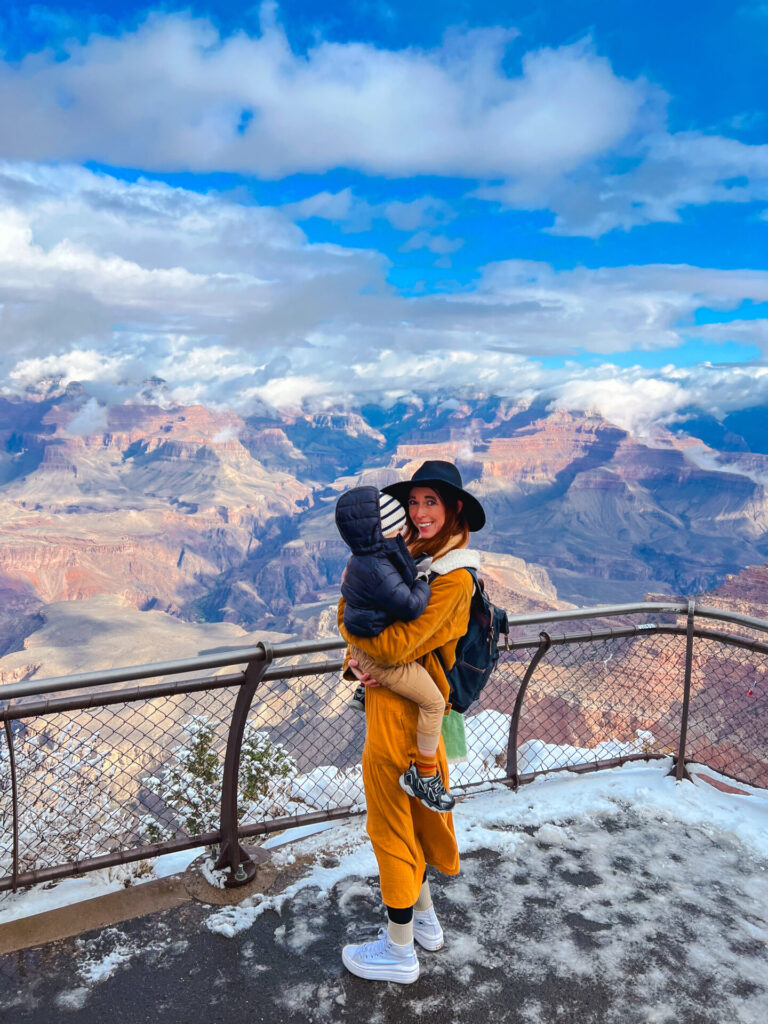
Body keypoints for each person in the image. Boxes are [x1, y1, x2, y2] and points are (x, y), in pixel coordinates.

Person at [337, 460, 486, 984]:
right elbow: (350, 606)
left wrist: (364, 648)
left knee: (390, 830)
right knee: (413, 825)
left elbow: (398, 643)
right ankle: (422, 923)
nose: (420, 513)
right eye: (415, 501)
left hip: (404, 722)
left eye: (432, 503)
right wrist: (359, 653)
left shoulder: (453, 580)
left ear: (454, 511)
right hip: (393, 710)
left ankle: (398, 952)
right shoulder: (411, 557)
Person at [335, 485, 455, 813]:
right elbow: (406, 619)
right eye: (411, 507)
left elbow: (353, 610)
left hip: (370, 657)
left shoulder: (373, 554)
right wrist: (422, 582)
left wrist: (356, 657)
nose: (414, 518)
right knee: (434, 702)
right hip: (383, 666)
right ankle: (424, 776)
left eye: (430, 502)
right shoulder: (378, 564)